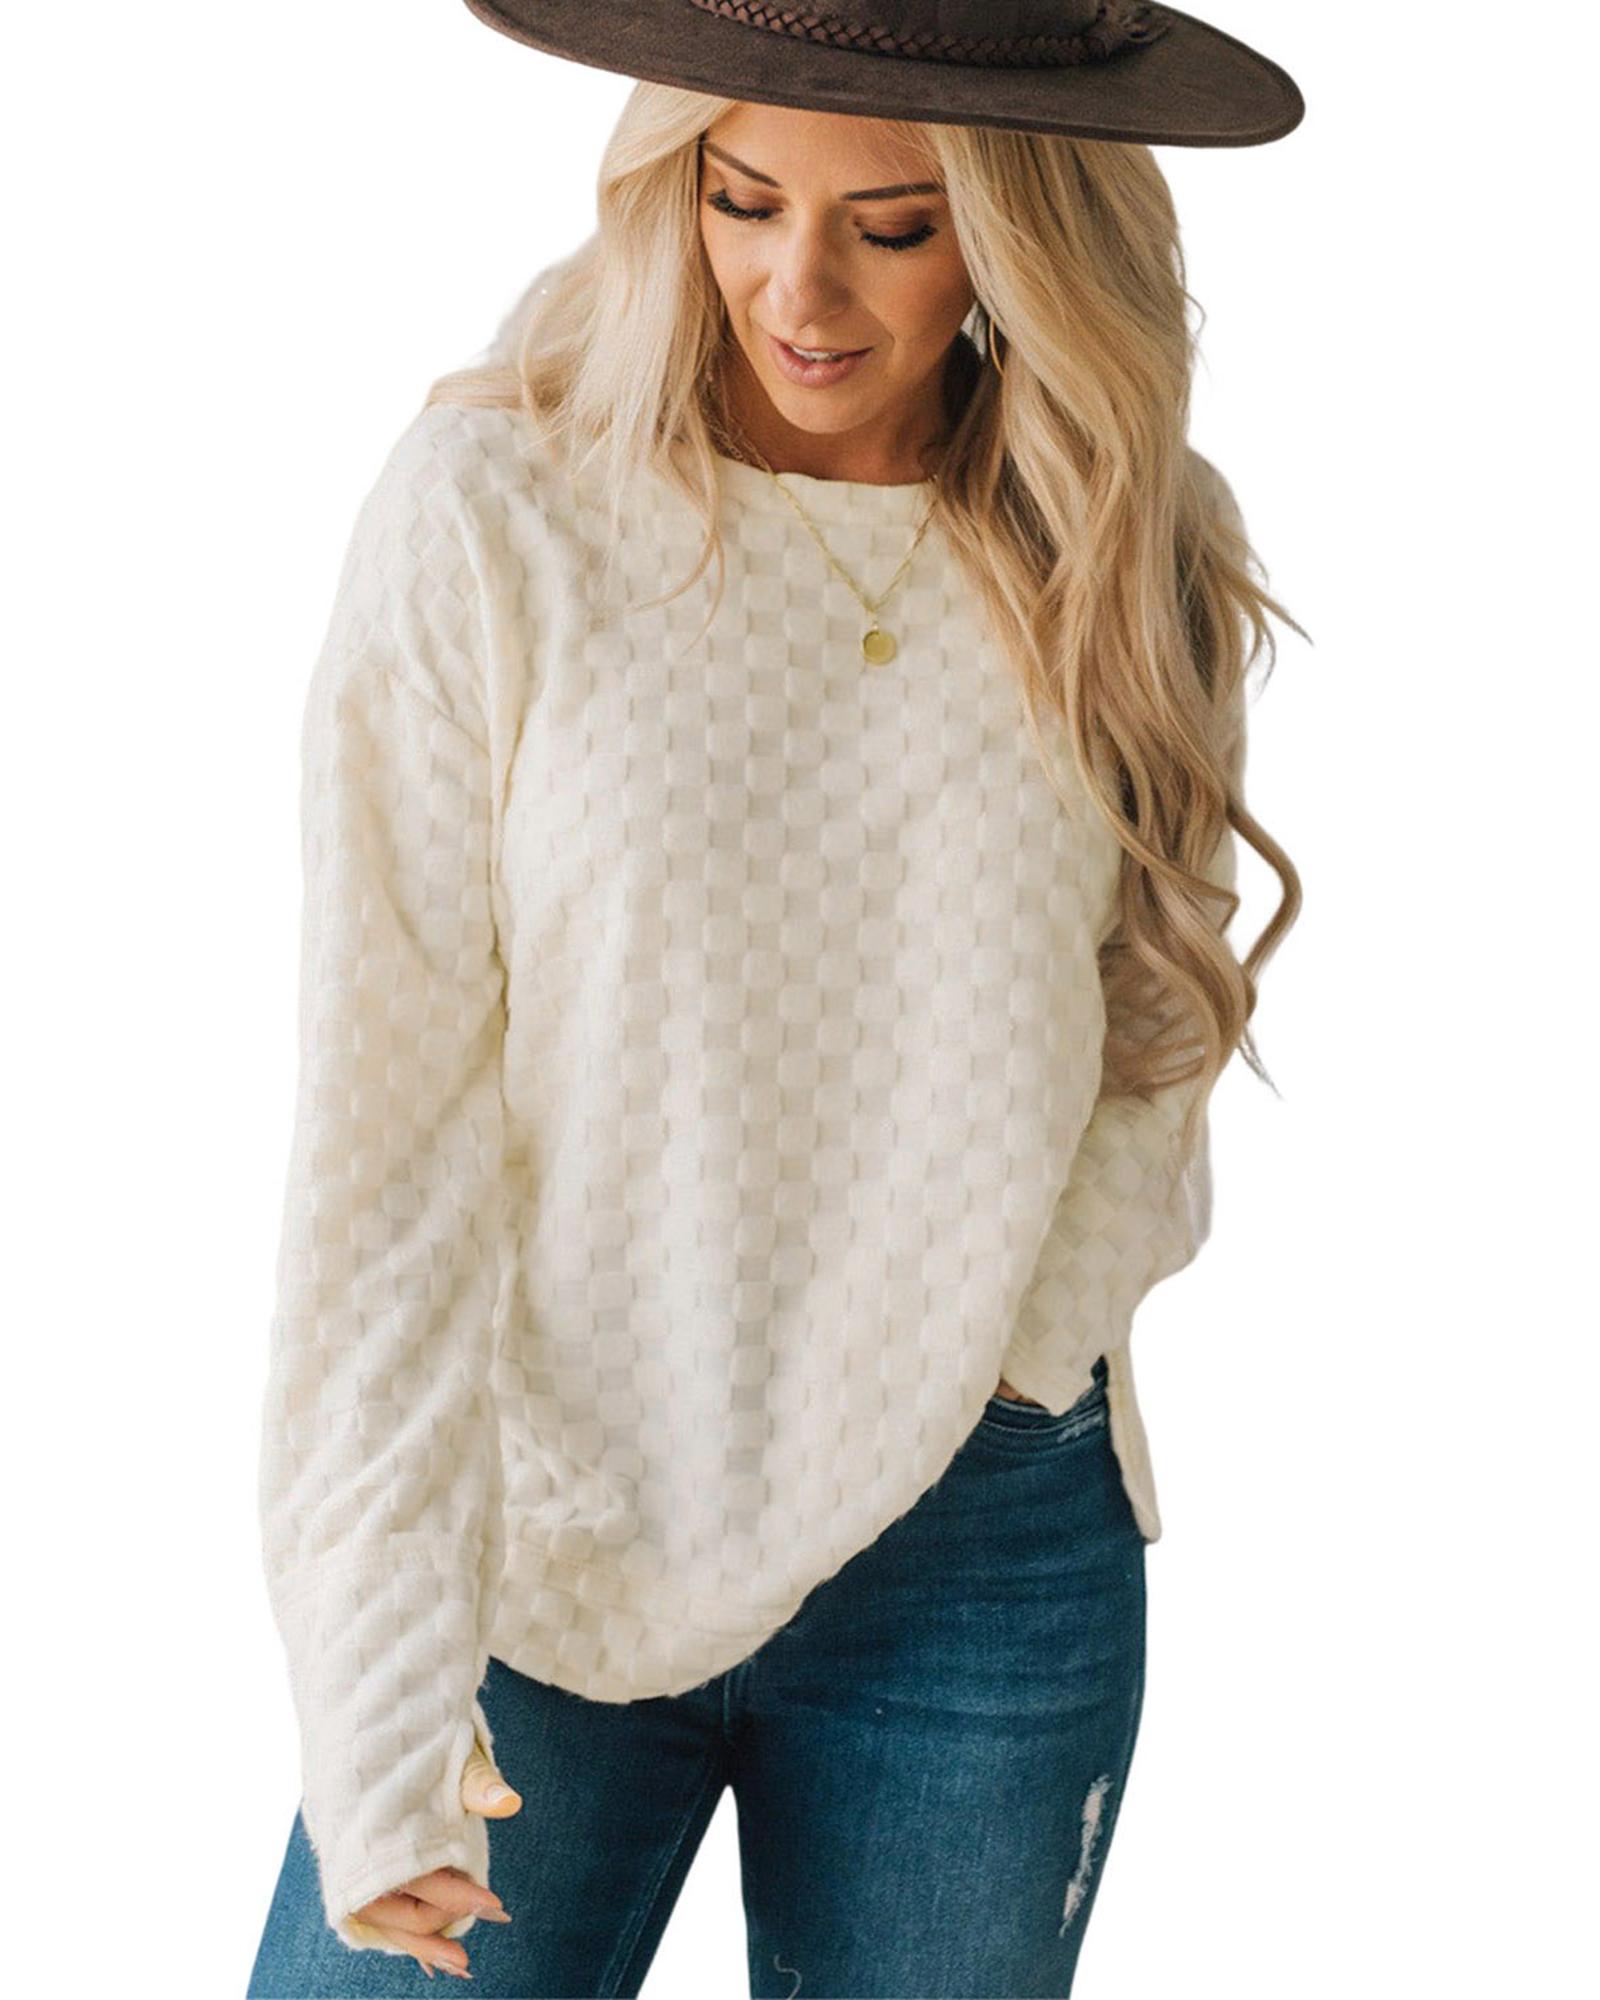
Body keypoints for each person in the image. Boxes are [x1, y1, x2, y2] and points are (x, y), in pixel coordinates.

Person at [248, 3, 1306, 1993]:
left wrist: (1017, 1353)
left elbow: (1148, 1017)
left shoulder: (1120, 540)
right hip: (552, 1533)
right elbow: (385, 1150)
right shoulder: (496, 513)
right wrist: (375, 1684)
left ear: (1025, 230)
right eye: (743, 200)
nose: (798, 289)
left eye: (893, 228)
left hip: (980, 1555)